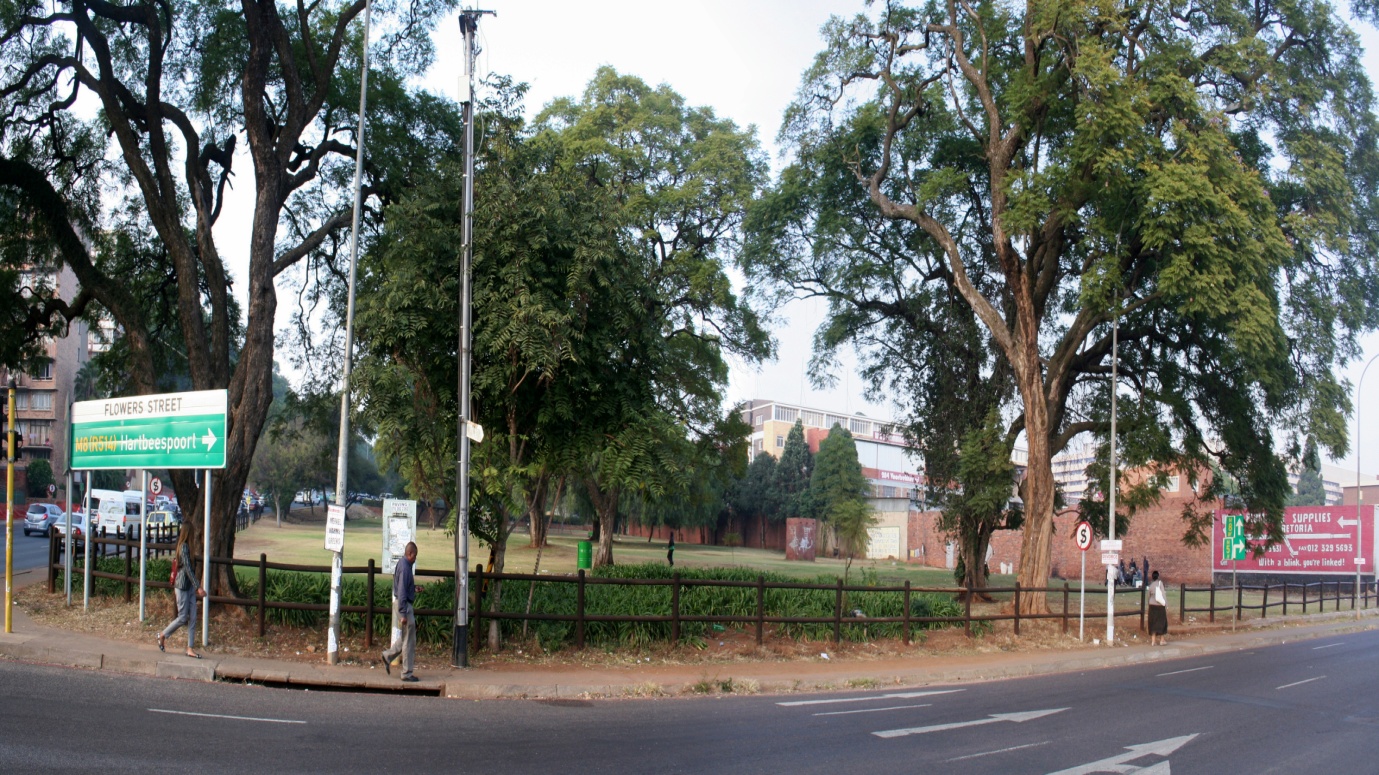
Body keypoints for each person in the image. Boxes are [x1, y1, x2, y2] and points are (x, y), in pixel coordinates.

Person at [158, 531, 206, 658]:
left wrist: (194, 586)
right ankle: (163, 634)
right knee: (183, 617)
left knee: (193, 617)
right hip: (182, 587)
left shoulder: (188, 547)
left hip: (189, 587)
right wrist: (199, 587)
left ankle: (190, 648)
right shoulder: (183, 547)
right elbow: (188, 569)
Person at [382, 542, 420, 682]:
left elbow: (404, 587)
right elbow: (402, 591)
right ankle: (406, 673)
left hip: (402, 603)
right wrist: (403, 613)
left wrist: (415, 589)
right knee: (409, 641)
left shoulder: (403, 564)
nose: (415, 559)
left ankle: (387, 656)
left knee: (405, 637)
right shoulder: (405, 568)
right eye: (414, 556)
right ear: (410, 554)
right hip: (404, 606)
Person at [1147, 570, 1169, 645]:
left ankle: (1153, 641)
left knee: (1153, 623)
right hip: (1160, 606)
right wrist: (1166, 604)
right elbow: (1163, 594)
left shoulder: (1151, 585)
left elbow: (1148, 596)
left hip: (1152, 606)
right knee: (1161, 622)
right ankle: (1162, 640)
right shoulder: (1160, 584)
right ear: (1158, 576)